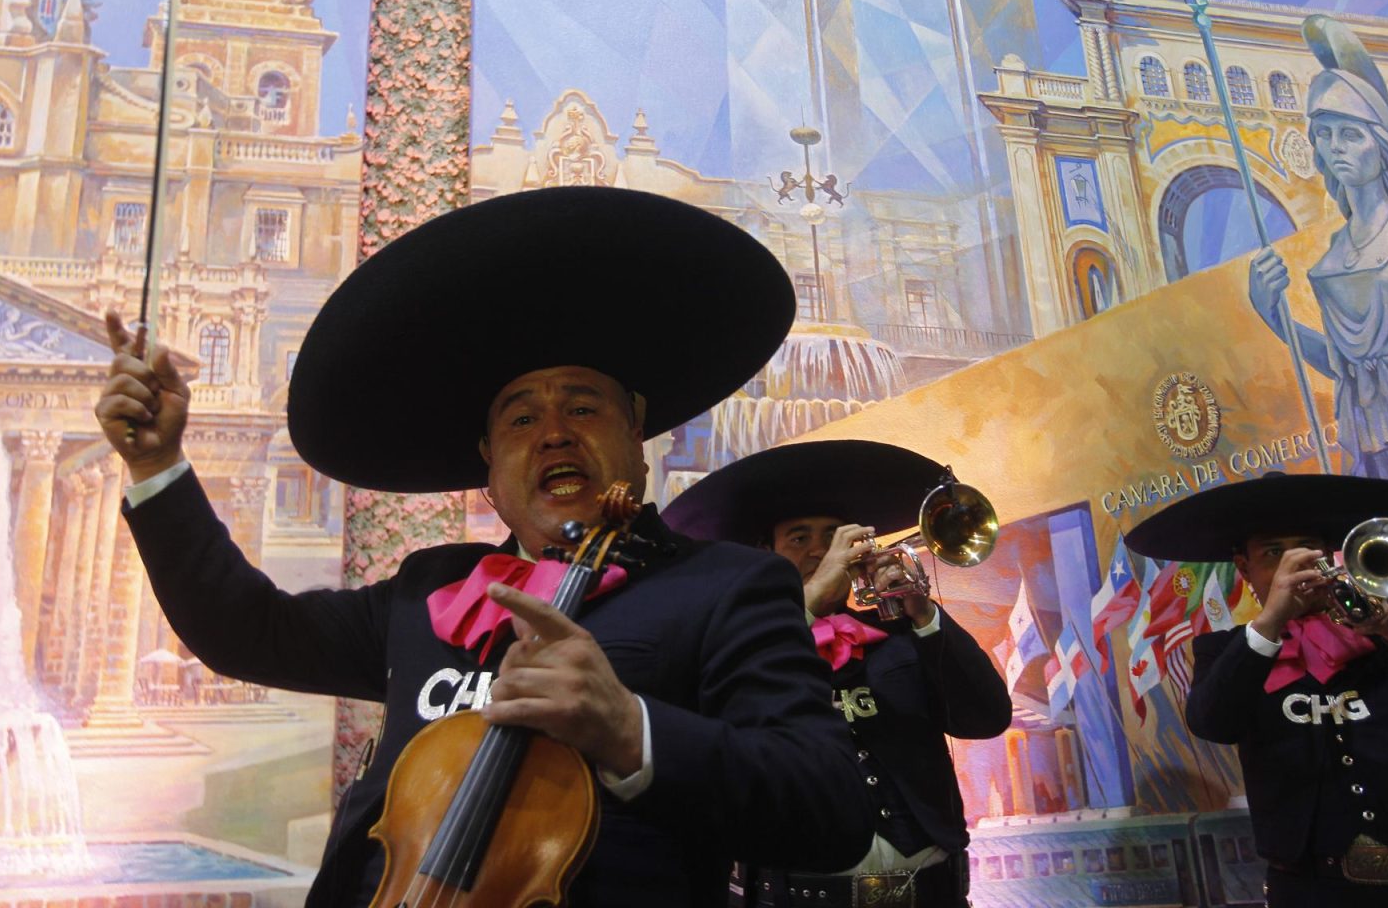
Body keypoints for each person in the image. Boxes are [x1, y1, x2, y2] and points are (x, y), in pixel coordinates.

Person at [94, 187, 875, 907]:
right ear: (491, 476)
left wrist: (629, 727)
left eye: (583, 406)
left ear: (638, 434)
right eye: (521, 420)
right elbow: (243, 631)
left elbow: (830, 810)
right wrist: (158, 467)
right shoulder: (428, 590)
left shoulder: (730, 587)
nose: (556, 432)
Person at [663, 439, 1013, 908]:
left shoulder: (898, 632)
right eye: (800, 538)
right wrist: (807, 604)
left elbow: (986, 717)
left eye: (832, 536)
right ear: (766, 553)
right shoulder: (735, 644)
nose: (820, 550)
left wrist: (922, 612)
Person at [1126, 471, 1388, 907]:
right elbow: (1212, 722)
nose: (1296, 565)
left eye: (1307, 549)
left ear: (1329, 556)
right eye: (1273, 553)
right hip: (1308, 890)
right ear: (1244, 568)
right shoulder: (1228, 651)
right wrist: (1269, 621)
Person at [1247, 15, 1388, 662]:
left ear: (1379, 145)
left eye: (1351, 134)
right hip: (1369, 439)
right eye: (1327, 137)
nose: (1339, 148)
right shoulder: (1335, 255)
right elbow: (1342, 366)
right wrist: (1278, 319)